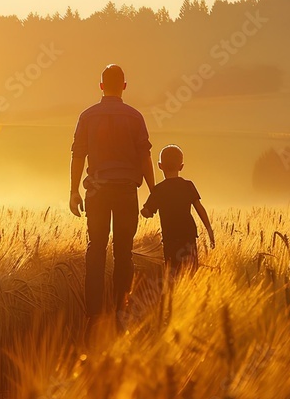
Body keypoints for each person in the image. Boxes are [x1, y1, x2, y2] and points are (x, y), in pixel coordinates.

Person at [69, 64, 155, 328]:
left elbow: (78, 154)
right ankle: (121, 309)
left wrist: (73, 191)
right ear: (125, 86)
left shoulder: (87, 116)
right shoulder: (135, 117)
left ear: (101, 86)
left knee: (96, 248)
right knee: (124, 253)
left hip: (97, 191)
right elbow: (145, 156)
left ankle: (93, 314)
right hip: (126, 192)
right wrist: (154, 192)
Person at [141, 145, 215, 278]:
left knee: (172, 275)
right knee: (191, 273)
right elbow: (200, 209)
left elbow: (148, 212)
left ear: (160, 166)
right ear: (181, 166)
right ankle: (191, 296)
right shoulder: (188, 185)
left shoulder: (158, 190)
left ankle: (175, 297)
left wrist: (144, 211)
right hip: (188, 237)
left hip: (170, 239)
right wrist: (209, 230)